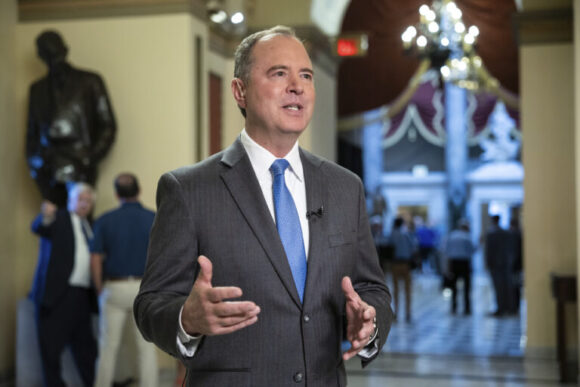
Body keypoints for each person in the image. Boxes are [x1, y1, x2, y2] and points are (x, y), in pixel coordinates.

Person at [134, 25, 393, 386]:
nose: (297, 86)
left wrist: (369, 320)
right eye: (279, 73)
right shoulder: (188, 189)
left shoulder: (345, 188)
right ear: (240, 91)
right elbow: (150, 305)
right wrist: (185, 319)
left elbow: (373, 289)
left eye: (305, 75)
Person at [26, 30, 116, 208]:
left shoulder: (90, 81)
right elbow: (32, 134)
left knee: (80, 223)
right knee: (54, 225)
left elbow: (108, 126)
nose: (54, 60)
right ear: (41, 56)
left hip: (80, 164)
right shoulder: (37, 89)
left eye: (56, 54)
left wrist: (89, 158)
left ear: (65, 50)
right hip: (49, 168)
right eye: (49, 55)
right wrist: (38, 164)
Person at [90, 173, 158, 387]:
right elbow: (163, 256)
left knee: (108, 347)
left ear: (116, 194)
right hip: (145, 288)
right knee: (147, 347)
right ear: (139, 191)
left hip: (115, 287)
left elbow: (95, 259)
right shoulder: (154, 218)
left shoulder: (104, 220)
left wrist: (100, 288)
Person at [30, 183, 98, 387]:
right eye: (80, 199)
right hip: (58, 293)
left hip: (81, 295)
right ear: (70, 200)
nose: (84, 204)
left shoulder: (90, 226)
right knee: (51, 348)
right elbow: (40, 226)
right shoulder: (60, 218)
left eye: (88, 201)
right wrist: (46, 215)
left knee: (86, 348)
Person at [386, 216, 416, 322]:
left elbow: (388, 248)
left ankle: (396, 312)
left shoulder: (392, 234)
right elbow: (413, 248)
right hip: (406, 264)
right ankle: (408, 313)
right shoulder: (406, 234)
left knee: (396, 290)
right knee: (407, 290)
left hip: (395, 264)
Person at [485, 214, 515, 316]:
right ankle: (507, 307)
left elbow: (489, 251)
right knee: (506, 286)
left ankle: (501, 308)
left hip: (496, 265)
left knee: (498, 287)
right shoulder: (505, 233)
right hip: (505, 264)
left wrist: (488, 263)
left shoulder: (492, 234)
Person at [444, 219, 475, 315]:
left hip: (454, 263)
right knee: (466, 287)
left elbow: (446, 251)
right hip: (464, 263)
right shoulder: (467, 237)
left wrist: (448, 267)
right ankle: (467, 308)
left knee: (453, 287)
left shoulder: (451, 236)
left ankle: (454, 307)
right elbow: (472, 250)